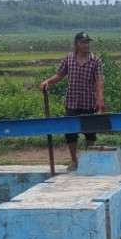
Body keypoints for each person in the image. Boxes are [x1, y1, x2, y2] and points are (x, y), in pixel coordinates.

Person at [40, 31, 106, 171]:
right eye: (83, 42)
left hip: (88, 101)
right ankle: (74, 161)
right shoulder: (69, 58)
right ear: (76, 44)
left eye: (87, 42)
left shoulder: (95, 60)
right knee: (70, 132)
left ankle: (88, 160)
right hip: (72, 101)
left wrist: (100, 99)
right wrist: (48, 81)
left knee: (90, 132)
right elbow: (60, 74)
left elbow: (99, 80)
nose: (86, 45)